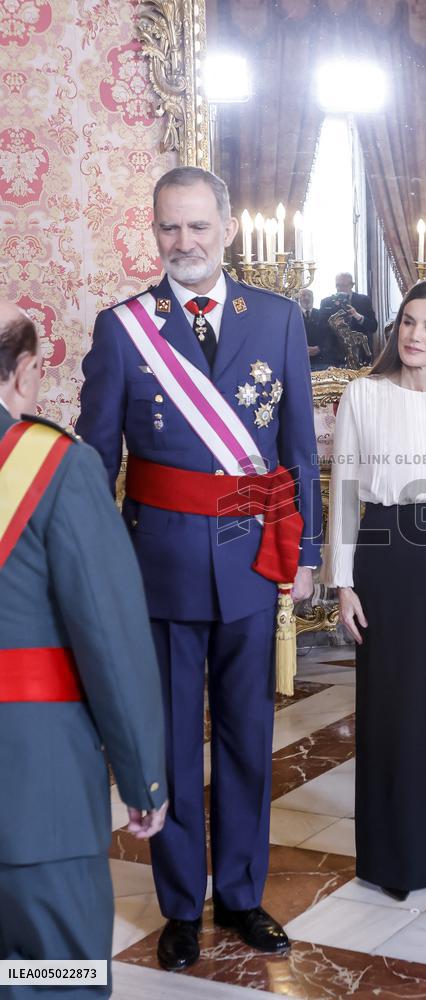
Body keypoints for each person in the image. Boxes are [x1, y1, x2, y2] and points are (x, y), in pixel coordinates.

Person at [76, 167, 322, 970]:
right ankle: (182, 903)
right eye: (168, 229)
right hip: (161, 568)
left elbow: (295, 454)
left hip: (252, 562)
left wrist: (308, 552)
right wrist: (98, 574)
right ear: (154, 233)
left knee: (250, 735)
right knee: (174, 741)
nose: (183, 243)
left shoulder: (279, 319)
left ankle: (243, 896)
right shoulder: (124, 329)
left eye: (197, 228)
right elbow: (93, 468)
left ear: (227, 229)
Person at [0, 302, 167, 999]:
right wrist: (143, 779)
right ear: (27, 373)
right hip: (32, 800)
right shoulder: (57, 467)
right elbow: (110, 640)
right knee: (52, 975)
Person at [323, 280, 426, 899]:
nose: (414, 336)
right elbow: (343, 494)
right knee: (388, 704)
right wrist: (343, 582)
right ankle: (389, 859)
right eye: (407, 323)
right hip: (384, 552)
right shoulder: (363, 396)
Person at [319, 272, 378, 367]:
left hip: (360, 355)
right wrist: (333, 324)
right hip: (335, 356)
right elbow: (320, 329)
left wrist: (357, 316)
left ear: (352, 285)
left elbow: (373, 327)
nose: (340, 288)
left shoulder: (363, 300)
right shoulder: (326, 302)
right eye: (338, 285)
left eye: (344, 285)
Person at [298, 288, 328, 369]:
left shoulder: (321, 314)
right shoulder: (293, 315)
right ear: (299, 298)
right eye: (303, 295)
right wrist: (302, 349)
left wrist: (320, 348)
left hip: (320, 359)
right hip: (299, 359)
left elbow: (327, 335)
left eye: (309, 296)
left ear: (313, 298)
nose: (306, 298)